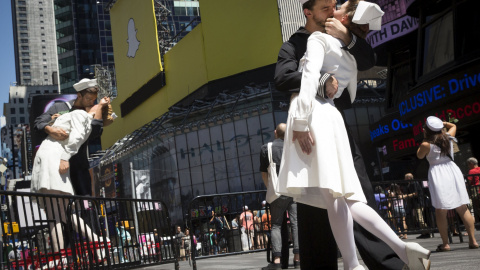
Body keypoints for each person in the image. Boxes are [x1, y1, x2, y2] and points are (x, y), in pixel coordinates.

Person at [277, 1, 432, 270]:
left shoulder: (338, 40)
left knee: (350, 193)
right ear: (308, 11)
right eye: (324, 6)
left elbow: (367, 62)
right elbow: (283, 77)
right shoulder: (296, 42)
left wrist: (346, 39)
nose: (330, 9)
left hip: (323, 122)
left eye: (334, 5)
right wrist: (323, 81)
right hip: (322, 119)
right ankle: (373, 258)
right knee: (336, 199)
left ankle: (379, 261)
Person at [31, 96, 112, 268]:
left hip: (54, 161)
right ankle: (96, 241)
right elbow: (40, 122)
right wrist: (52, 123)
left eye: (95, 104)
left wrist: (64, 157)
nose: (92, 104)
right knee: (64, 214)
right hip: (56, 161)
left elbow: (74, 141)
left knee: (55, 216)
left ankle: (60, 256)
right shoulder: (76, 114)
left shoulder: (81, 117)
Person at [34, 78, 110, 196]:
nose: (91, 102)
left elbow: (96, 133)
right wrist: (50, 128)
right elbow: (38, 123)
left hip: (79, 166)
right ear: (79, 95)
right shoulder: (60, 107)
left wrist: (99, 109)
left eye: (94, 100)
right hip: (56, 164)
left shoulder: (94, 111)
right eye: (88, 99)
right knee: (61, 203)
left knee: (86, 203)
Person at [417, 116, 479, 251]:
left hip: (438, 173)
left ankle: (445, 244)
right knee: (463, 207)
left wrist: (425, 137)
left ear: (427, 130)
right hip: (453, 170)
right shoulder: (448, 137)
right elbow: (453, 126)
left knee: (440, 209)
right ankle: (473, 240)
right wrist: (443, 123)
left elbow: (419, 155)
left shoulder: (426, 144)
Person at [260, 123, 299, 269]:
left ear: (275, 132)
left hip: (277, 192)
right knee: (295, 224)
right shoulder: (293, 147)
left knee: (276, 225)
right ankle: (297, 259)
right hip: (293, 191)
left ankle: (276, 261)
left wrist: (270, 188)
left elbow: (264, 174)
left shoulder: (266, 148)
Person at [404, 173, 431, 239]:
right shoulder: (409, 185)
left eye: (406, 178)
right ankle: (423, 232)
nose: (405, 179)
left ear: (409, 178)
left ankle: (427, 232)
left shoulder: (414, 183)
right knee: (417, 218)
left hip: (418, 203)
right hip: (414, 204)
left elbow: (416, 193)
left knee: (420, 218)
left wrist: (406, 196)